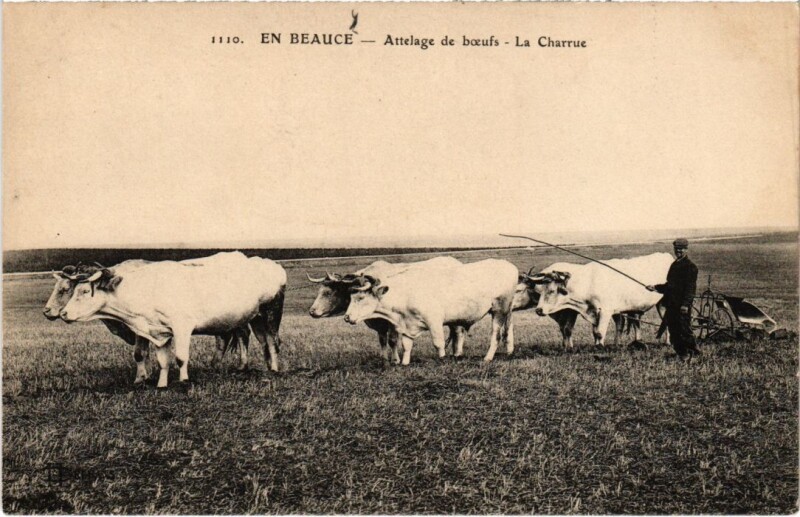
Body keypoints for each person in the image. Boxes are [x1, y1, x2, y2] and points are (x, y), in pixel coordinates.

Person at [647, 238, 701, 359]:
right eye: (676, 249)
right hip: (671, 304)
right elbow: (669, 285)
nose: (678, 251)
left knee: (684, 330)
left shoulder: (691, 267)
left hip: (682, 306)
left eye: (681, 249)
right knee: (673, 331)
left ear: (686, 249)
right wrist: (655, 287)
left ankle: (693, 352)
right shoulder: (674, 265)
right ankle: (682, 353)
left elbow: (690, 289)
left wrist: (685, 305)